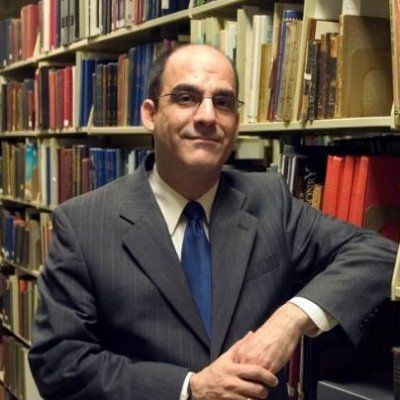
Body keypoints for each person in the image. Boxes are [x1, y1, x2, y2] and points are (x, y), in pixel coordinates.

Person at [29, 44, 397, 400]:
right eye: (186, 98)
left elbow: (377, 253)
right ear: (150, 114)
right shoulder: (83, 223)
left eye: (222, 102)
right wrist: (191, 389)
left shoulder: (270, 201)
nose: (207, 116)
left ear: (235, 123)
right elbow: (60, 364)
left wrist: (291, 319)